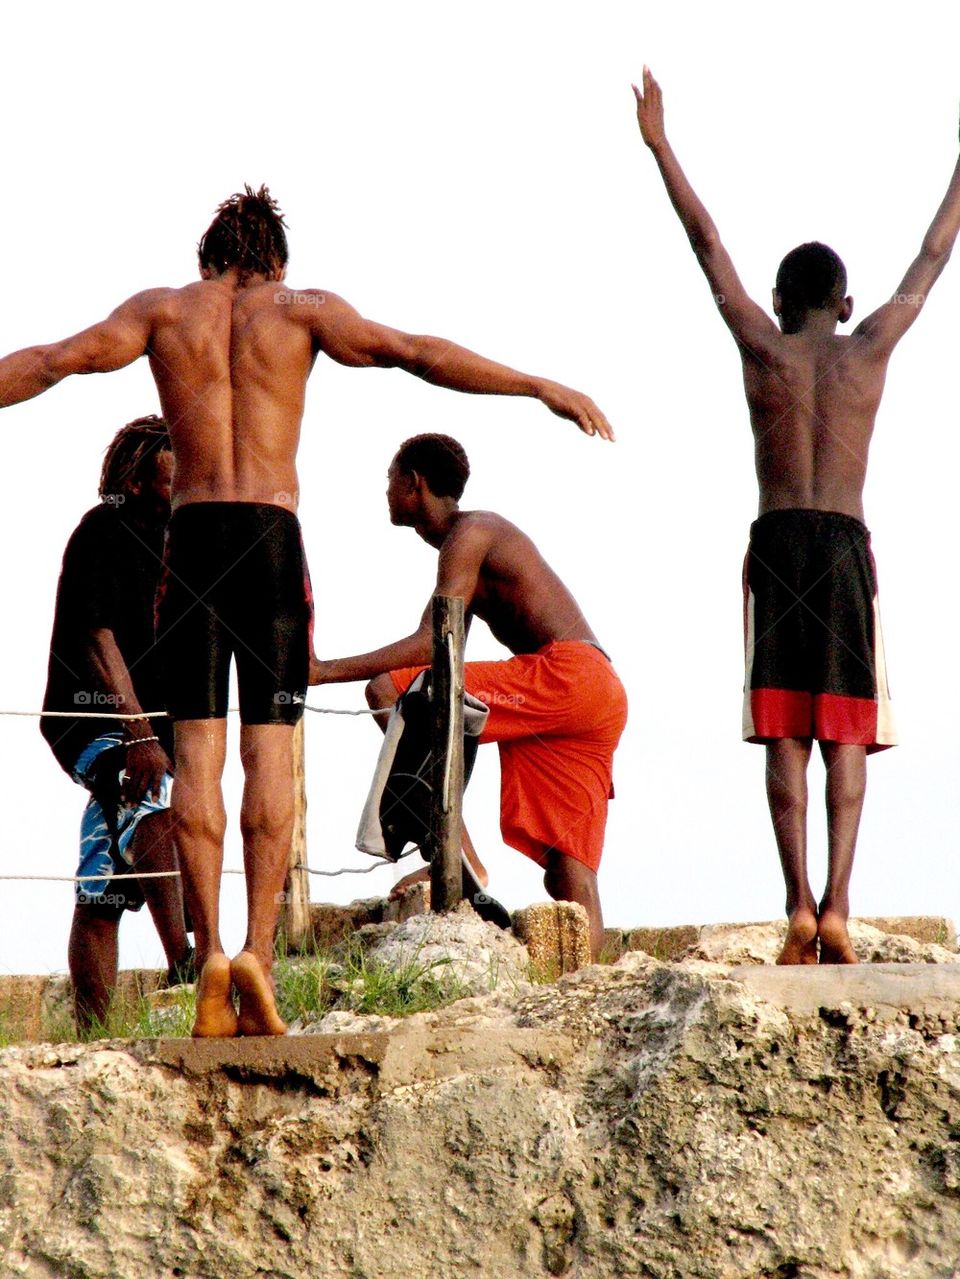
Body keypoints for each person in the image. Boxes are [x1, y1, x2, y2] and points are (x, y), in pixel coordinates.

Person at [0, 186, 614, 1035]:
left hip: (196, 543)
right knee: (271, 759)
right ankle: (256, 950)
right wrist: (535, 385)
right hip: (270, 545)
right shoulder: (302, 310)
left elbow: (53, 360)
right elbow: (416, 351)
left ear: (208, 258)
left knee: (199, 759)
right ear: (276, 261)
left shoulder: (163, 312)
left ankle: (211, 954)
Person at [634, 68, 960, 964]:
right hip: (844, 545)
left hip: (778, 543)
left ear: (781, 302)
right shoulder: (869, 347)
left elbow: (707, 246)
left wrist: (661, 142)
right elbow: (931, 262)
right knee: (845, 722)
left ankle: (797, 912)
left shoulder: (760, 345)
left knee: (783, 724)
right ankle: (843, 907)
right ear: (845, 303)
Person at [309, 433, 628, 960]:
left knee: (390, 689)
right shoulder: (474, 540)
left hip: (564, 675)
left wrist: (322, 671)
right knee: (567, 869)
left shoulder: (470, 532)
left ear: (413, 484)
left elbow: (430, 642)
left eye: (390, 480)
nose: (385, 491)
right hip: (596, 689)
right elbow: (448, 648)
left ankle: (459, 860)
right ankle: (587, 989)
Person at [41, 416, 193, 1033]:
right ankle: (186, 962)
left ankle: (91, 1036)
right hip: (96, 717)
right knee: (150, 801)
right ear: (137, 472)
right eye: (173, 456)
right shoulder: (103, 529)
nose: (187, 464)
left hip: (159, 724)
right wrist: (140, 734)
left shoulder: (182, 536)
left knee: (101, 888)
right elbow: (97, 637)